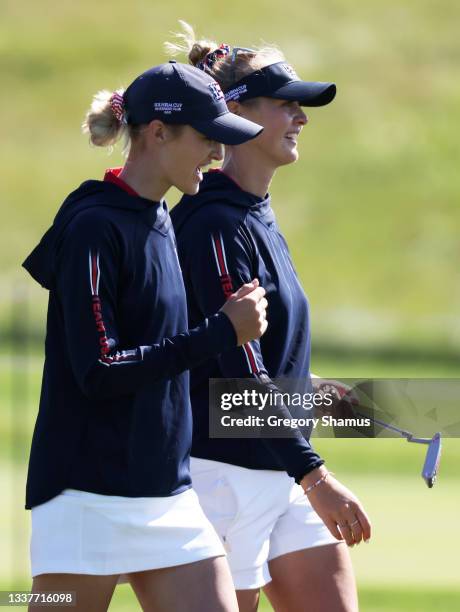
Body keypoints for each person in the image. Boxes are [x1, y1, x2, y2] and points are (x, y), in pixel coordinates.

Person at [22, 60, 268, 612]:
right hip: (86, 497)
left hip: (166, 496)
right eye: (207, 138)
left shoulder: (160, 217)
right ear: (157, 133)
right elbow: (99, 370)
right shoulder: (94, 226)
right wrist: (219, 333)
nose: (215, 152)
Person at [168, 24, 371, 612]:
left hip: (280, 463)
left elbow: (251, 357)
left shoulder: (255, 213)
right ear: (234, 112)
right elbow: (234, 372)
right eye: (287, 104)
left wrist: (303, 392)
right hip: (222, 476)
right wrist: (317, 477)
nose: (301, 117)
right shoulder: (211, 223)